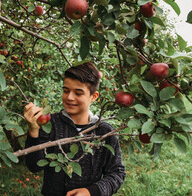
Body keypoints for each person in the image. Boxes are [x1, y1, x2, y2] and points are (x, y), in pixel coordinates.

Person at [24, 62, 126, 196]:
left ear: (93, 97)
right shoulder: (51, 124)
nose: (70, 97)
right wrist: (33, 130)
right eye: (66, 90)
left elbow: (117, 173)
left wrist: (91, 192)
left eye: (78, 93)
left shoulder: (104, 131)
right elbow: (34, 166)